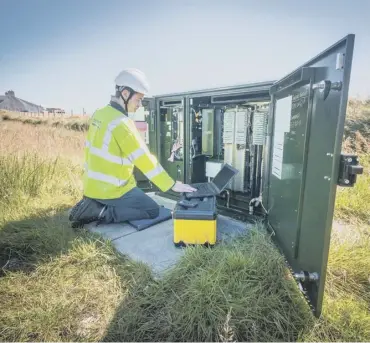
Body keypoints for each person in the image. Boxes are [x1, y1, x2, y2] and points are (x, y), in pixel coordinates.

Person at [69, 68, 196, 227]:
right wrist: (171, 184)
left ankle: (92, 203)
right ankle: (100, 211)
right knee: (152, 210)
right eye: (139, 99)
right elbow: (144, 159)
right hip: (113, 190)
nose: (140, 105)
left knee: (138, 198)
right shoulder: (122, 123)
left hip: (91, 186)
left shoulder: (99, 114)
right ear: (125, 93)